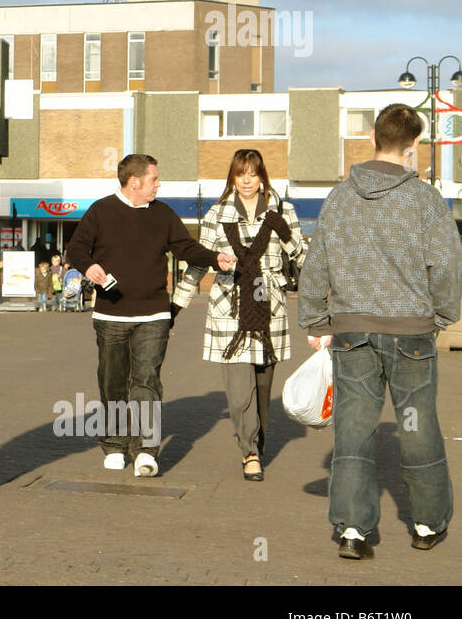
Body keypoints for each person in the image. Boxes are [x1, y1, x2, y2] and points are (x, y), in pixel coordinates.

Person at [299, 103, 461, 559]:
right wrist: (445, 315)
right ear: (413, 147)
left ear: (373, 137)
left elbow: (317, 265)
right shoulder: (426, 199)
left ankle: (352, 530)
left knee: (353, 432)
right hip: (411, 333)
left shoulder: (339, 197)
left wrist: (315, 318)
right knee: (418, 427)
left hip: (352, 335)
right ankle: (427, 523)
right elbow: (447, 265)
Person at [66, 154, 236, 477]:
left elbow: (187, 248)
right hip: (111, 316)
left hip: (154, 315)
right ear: (134, 182)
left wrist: (216, 258)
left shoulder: (163, 214)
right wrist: (89, 266)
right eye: (154, 179)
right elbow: (76, 248)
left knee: (147, 381)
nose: (159, 184)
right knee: (112, 382)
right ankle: (116, 444)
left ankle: (145, 449)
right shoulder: (100, 211)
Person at [173, 149, 306, 481]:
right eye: (240, 174)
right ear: (232, 177)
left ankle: (257, 443)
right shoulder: (216, 214)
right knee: (238, 389)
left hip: (268, 307)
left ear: (262, 176)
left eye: (253, 174)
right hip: (227, 310)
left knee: (262, 388)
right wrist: (176, 304)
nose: (247, 181)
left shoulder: (283, 210)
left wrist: (286, 236)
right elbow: (198, 260)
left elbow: (304, 259)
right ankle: (249, 452)